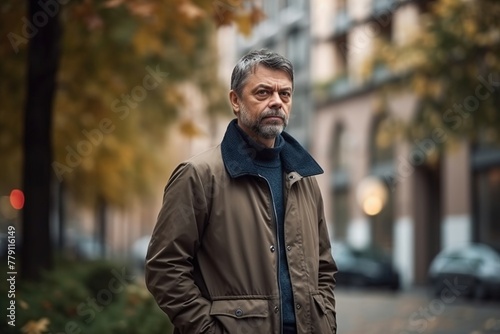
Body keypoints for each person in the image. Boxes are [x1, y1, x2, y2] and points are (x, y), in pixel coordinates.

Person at [145, 49, 337, 334]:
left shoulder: (304, 178)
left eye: (285, 94)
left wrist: (327, 321)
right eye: (263, 93)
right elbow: (165, 268)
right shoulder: (198, 175)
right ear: (235, 100)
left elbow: (324, 268)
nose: (276, 102)